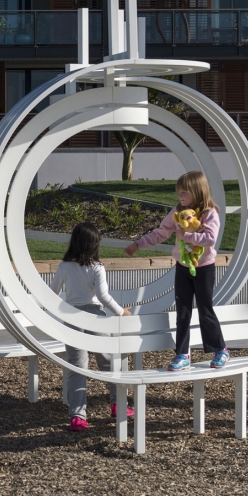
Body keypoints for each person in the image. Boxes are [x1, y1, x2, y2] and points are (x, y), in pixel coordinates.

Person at [125, 171, 230, 371]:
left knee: (205, 309)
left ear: (197, 191)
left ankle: (220, 349)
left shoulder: (209, 213)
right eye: (178, 192)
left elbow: (210, 238)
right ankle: (182, 353)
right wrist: (138, 244)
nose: (180, 196)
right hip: (182, 267)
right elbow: (160, 233)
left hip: (204, 267)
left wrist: (186, 236)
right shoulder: (178, 212)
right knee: (182, 311)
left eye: (184, 192)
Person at [51, 222, 134, 432]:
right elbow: (104, 297)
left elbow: (52, 293)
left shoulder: (64, 266)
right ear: (94, 245)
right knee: (108, 362)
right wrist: (122, 312)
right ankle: (118, 404)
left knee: (77, 367)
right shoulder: (97, 267)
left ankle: (78, 416)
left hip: (72, 318)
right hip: (95, 317)